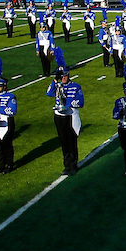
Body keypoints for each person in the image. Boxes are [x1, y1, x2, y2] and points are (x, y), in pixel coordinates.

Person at [47, 48, 85, 176]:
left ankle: (73, 164)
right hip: (59, 116)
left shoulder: (75, 86)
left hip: (70, 115)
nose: (63, 78)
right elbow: (49, 93)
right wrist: (55, 81)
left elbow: (80, 102)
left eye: (64, 76)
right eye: (61, 76)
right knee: (63, 142)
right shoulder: (57, 85)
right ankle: (66, 165)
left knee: (71, 142)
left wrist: (68, 105)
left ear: (68, 75)